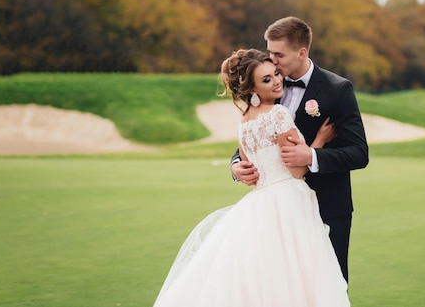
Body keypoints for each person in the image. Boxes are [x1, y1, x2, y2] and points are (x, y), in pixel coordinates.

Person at [152, 49, 350, 306]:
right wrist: (320, 141)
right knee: (295, 273)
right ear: (253, 89)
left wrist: (237, 168)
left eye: (276, 73)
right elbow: (297, 169)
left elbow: (249, 168)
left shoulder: (244, 121)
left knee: (264, 275)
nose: (277, 80)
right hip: (289, 200)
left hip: (259, 204)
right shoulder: (278, 115)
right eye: (266, 80)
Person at [231, 16, 369, 282]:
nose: (271, 59)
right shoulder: (268, 83)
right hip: (278, 213)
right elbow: (254, 136)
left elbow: (359, 153)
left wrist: (312, 156)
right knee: (280, 287)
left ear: (301, 52)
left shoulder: (337, 89)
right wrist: (236, 165)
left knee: (328, 288)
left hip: (327, 208)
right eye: (269, 51)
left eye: (278, 54)